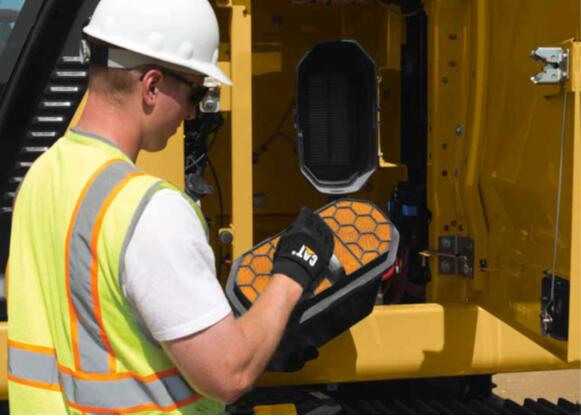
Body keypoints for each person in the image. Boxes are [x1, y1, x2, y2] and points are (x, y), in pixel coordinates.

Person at [6, 0, 334, 414]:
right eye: (194, 92)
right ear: (152, 86)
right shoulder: (148, 211)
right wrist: (293, 270)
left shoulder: (41, 176)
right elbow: (229, 373)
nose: (194, 112)